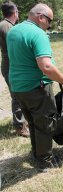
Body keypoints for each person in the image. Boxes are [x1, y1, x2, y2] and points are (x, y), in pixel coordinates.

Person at [7, 3, 63, 171]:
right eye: (49, 21)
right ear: (41, 17)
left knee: (32, 122)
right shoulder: (38, 34)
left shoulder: (13, 31)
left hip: (17, 87)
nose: (50, 25)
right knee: (46, 124)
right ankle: (45, 161)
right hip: (36, 88)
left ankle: (37, 153)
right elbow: (46, 67)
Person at [0, 1, 30, 137]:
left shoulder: (8, 25)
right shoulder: (6, 26)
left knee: (20, 95)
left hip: (13, 67)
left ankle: (23, 122)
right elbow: (15, 45)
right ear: (15, 12)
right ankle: (20, 127)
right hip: (11, 68)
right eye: (17, 11)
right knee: (17, 96)